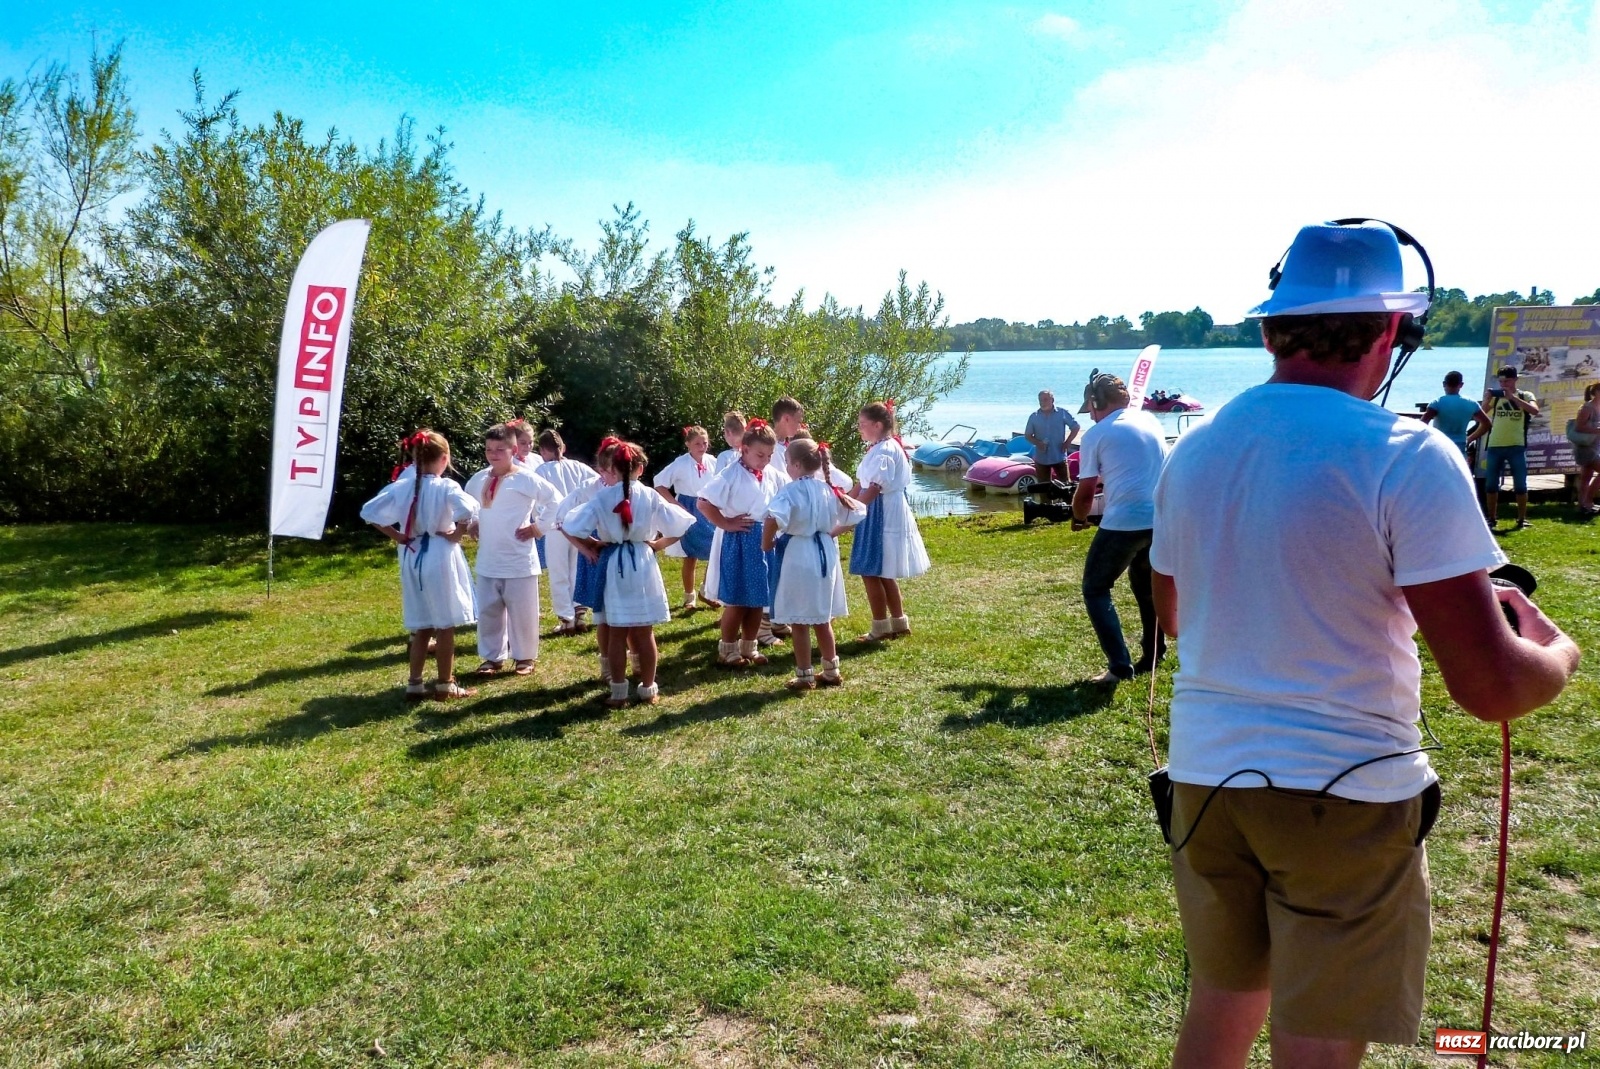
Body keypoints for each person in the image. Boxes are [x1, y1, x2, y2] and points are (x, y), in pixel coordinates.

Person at [1150, 221, 1579, 1068]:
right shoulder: (1408, 454)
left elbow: (1176, 616)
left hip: (1204, 782)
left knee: (1223, 999)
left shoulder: (1193, 451)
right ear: (1393, 333)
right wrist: (1557, 654)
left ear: (1272, 327)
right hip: (1345, 793)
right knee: (1319, 1030)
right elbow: (1491, 687)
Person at [563, 441, 695, 707]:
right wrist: (657, 544)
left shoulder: (601, 497)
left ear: (613, 468)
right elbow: (681, 523)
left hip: (614, 564)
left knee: (616, 632)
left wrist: (594, 543)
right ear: (640, 468)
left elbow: (571, 524)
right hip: (642, 562)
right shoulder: (650, 496)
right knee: (644, 632)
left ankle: (619, 692)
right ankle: (648, 689)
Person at [360, 429, 481, 701]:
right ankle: (444, 683)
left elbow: (369, 511)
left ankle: (414, 683)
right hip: (439, 552)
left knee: (422, 622)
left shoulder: (402, 486)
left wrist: (399, 536)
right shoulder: (446, 487)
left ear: (414, 460)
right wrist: (457, 534)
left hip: (412, 553)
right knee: (445, 623)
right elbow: (469, 509)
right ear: (444, 458)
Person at [1070, 373, 1169, 683]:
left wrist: (1078, 517)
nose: (1092, 415)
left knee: (1095, 588)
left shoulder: (1096, 434)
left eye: (1092, 409)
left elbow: (1085, 493)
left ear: (1097, 403)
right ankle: (1154, 651)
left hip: (1123, 523)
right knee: (1145, 586)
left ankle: (1119, 667)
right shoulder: (1151, 422)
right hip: (1159, 519)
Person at [763, 439, 866, 689]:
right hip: (824, 553)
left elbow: (771, 518)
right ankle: (831, 670)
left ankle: (804, 675)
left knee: (799, 622)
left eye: (787, 462)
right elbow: (856, 514)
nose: (786, 467)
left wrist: (766, 544)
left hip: (798, 553)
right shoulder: (828, 489)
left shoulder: (790, 491)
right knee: (822, 617)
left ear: (796, 465)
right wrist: (829, 533)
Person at [464, 424, 561, 677]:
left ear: (513, 449)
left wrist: (538, 528)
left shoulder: (525, 477)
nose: (493, 454)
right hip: (489, 557)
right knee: (488, 610)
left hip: (518, 556)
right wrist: (473, 520)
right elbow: (469, 502)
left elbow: (555, 501)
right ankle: (492, 657)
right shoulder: (480, 478)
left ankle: (525, 656)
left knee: (523, 610)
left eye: (500, 449)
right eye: (488, 449)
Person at [699, 419, 788, 667]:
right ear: (744, 448)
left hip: (763, 541)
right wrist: (726, 523)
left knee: (759, 599)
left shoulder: (771, 475)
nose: (766, 460)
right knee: (738, 601)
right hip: (740, 540)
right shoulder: (731, 474)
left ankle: (749, 647)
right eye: (760, 454)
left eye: (770, 455)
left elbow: (786, 494)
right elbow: (703, 502)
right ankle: (728, 650)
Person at [850, 401, 930, 641]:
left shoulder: (885, 450)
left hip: (880, 512)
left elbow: (874, 488)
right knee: (884, 572)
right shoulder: (882, 447)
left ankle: (880, 627)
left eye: (863, 424)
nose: (859, 429)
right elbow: (863, 484)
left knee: (871, 570)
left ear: (877, 425)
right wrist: (843, 500)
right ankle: (898, 622)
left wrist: (852, 512)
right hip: (883, 508)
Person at [534, 429, 599, 634]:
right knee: (576, 570)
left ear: (543, 450)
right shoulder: (579, 467)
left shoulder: (540, 471)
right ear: (563, 448)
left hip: (556, 528)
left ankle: (567, 619)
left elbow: (535, 500)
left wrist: (539, 520)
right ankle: (578, 615)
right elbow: (600, 484)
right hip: (578, 526)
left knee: (559, 572)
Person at [653, 425, 718, 609]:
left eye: (705, 443)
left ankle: (706, 589)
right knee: (690, 554)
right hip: (688, 508)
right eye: (697, 443)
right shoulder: (680, 463)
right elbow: (659, 483)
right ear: (688, 444)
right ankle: (690, 597)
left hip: (707, 507)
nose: (702, 446)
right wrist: (675, 504)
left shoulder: (712, 461)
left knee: (715, 548)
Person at [1474, 364, 1541, 529]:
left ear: (1515, 380)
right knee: (1491, 485)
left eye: (1508, 381)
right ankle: (1491, 518)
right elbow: (1479, 417)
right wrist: (1487, 401)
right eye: (1501, 381)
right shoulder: (1496, 398)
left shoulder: (1525, 395)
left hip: (1516, 446)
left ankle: (1521, 518)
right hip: (1495, 446)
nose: (1504, 384)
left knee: (1520, 484)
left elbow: (1534, 411)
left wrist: (1513, 398)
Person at [1419, 370, 1490, 457]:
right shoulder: (1471, 403)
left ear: (1444, 384)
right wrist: (1470, 438)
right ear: (1461, 385)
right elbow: (1487, 423)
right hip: (1460, 444)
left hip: (1440, 443)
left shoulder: (1437, 403)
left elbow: (1422, 424)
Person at [1025, 389, 1080, 483]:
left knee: (1066, 486)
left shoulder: (1062, 413)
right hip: (1041, 458)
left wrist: (1067, 442)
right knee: (1043, 489)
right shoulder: (1034, 416)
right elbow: (1028, 435)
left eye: (1045, 399)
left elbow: (1075, 427)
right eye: (1040, 400)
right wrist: (1038, 443)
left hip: (1059, 456)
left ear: (1052, 400)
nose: (1042, 402)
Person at [1570, 382, 1600, 514]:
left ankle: (1583, 505)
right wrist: (1597, 430)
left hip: (1594, 446)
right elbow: (1579, 427)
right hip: (1585, 447)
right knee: (1587, 476)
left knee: (1586, 476)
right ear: (1597, 392)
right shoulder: (1587, 408)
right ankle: (1588, 500)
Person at [770, 396, 805, 472]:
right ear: (786, 419)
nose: (800, 426)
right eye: (798, 422)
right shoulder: (766, 445)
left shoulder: (791, 448)